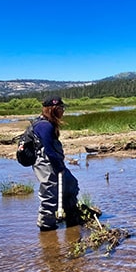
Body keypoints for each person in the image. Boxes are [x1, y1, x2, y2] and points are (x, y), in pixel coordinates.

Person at [32, 96, 81, 231]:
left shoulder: (48, 123)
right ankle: (47, 227)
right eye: (60, 108)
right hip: (46, 164)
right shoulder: (44, 125)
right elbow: (49, 149)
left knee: (71, 184)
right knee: (49, 194)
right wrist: (59, 167)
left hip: (54, 163)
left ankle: (71, 217)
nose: (63, 111)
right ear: (53, 109)